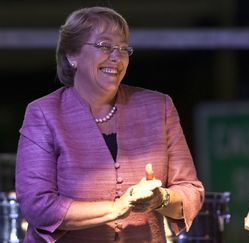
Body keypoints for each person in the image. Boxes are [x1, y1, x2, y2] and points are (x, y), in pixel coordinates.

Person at [15, 6, 204, 242]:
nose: (116, 56)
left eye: (124, 48)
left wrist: (162, 199)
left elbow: (190, 191)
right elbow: (38, 205)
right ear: (72, 55)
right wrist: (117, 207)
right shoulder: (43, 113)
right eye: (105, 46)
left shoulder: (160, 107)